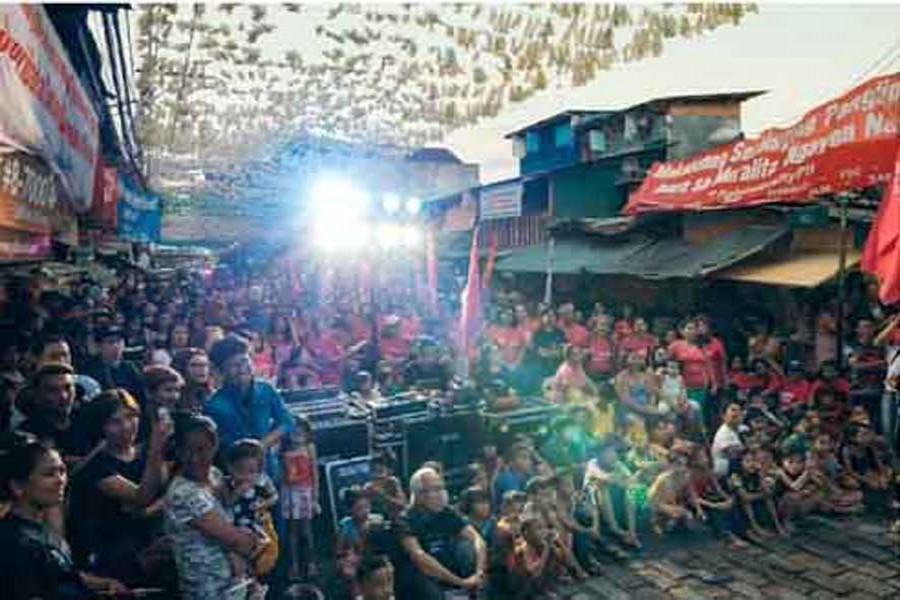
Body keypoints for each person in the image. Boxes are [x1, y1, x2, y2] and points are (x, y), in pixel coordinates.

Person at [0, 432, 128, 599]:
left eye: (62, 471)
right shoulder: (12, 543)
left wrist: (104, 583)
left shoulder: (42, 529)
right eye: (49, 474)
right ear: (18, 486)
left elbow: (62, 573)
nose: (60, 480)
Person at [67, 389, 171, 585]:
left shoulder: (142, 453)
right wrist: (156, 447)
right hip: (110, 551)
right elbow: (142, 496)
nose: (126, 426)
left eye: (131, 417)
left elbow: (167, 491)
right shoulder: (97, 466)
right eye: (115, 422)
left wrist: (149, 511)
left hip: (149, 538)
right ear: (101, 427)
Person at [165, 415, 266, 599]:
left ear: (215, 445)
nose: (194, 458)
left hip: (236, 584)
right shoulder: (184, 493)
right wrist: (253, 539)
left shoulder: (215, 475)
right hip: (209, 591)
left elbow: (232, 512)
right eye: (186, 451)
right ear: (178, 451)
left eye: (201, 449)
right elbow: (240, 543)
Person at [205, 334, 294, 479]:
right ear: (221, 371)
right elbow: (221, 448)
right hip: (236, 473)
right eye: (234, 365)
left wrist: (262, 445)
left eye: (245, 361)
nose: (242, 369)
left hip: (269, 467)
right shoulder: (213, 406)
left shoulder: (266, 389)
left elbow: (287, 421)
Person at [394, 467, 487, 600]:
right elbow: (419, 557)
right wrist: (460, 582)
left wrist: (479, 573)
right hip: (424, 577)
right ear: (420, 494)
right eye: (437, 489)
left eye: (442, 488)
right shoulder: (404, 519)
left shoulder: (446, 512)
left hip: (451, 568)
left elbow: (478, 540)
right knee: (420, 578)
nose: (442, 493)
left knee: (467, 547)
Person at [224, 438, 279, 598]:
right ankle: (248, 585)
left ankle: (256, 584)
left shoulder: (262, 480)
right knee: (237, 558)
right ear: (231, 467)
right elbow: (227, 503)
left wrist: (264, 504)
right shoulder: (228, 483)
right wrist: (239, 491)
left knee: (260, 554)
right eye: (241, 470)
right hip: (236, 525)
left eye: (252, 471)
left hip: (255, 524)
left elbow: (274, 496)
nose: (247, 476)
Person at [16, 363, 88, 465]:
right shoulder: (28, 431)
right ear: (37, 395)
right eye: (53, 390)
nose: (63, 396)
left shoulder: (88, 420)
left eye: (68, 388)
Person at [281, 414, 320, 579]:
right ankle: (294, 566)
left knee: (306, 530)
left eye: (300, 431)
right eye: (293, 430)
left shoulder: (310, 448)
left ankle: (311, 564)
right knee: (291, 532)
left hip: (305, 492)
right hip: (288, 492)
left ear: (307, 432)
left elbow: (315, 473)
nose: (296, 434)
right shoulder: (283, 450)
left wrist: (315, 498)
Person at [668, 319, 714, 430]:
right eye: (689, 328)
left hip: (700, 384)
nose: (692, 331)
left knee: (697, 413)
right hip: (682, 385)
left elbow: (708, 365)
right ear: (682, 331)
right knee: (682, 412)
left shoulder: (701, 346)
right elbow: (667, 362)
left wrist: (713, 382)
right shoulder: (675, 346)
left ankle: (697, 437)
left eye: (694, 328)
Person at [82, 325, 146, 402]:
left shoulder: (131, 367)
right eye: (111, 342)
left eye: (119, 341)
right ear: (99, 345)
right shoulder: (89, 369)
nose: (116, 346)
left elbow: (142, 396)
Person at [173, 348, 213, 415]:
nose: (202, 369)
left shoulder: (213, 395)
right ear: (182, 367)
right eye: (194, 365)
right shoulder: (174, 396)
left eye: (205, 365)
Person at [492, 442, 533, 507]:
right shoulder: (506, 478)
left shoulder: (527, 478)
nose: (529, 461)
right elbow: (517, 505)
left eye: (529, 458)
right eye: (524, 457)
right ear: (511, 461)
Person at [711, 403, 745, 478]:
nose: (736, 413)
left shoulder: (743, 428)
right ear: (724, 417)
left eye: (739, 413)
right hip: (725, 469)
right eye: (733, 411)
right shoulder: (724, 433)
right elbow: (734, 455)